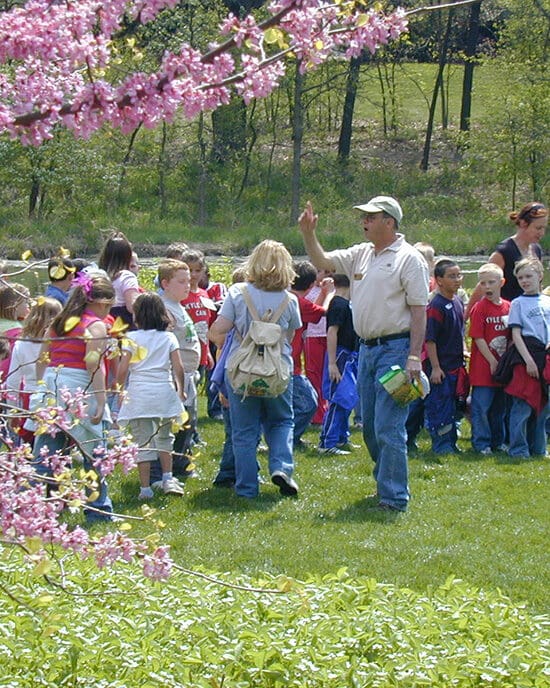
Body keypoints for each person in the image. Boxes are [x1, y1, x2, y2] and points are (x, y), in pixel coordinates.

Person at [299, 196, 429, 512]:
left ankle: (394, 497)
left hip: (396, 352)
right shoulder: (361, 254)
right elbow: (324, 261)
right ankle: (386, 482)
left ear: (390, 221)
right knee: (369, 425)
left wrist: (414, 356)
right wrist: (308, 233)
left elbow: (419, 311)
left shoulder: (409, 259)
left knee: (388, 425)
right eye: (364, 216)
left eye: (371, 216)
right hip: (366, 350)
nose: (364, 221)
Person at [209, 239, 301, 498]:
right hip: (277, 370)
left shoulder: (238, 292)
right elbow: (290, 336)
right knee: (282, 420)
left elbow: (220, 329)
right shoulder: (289, 299)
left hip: (242, 370)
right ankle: (281, 466)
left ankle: (247, 487)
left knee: (244, 430)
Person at [32, 273, 116, 522]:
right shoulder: (96, 326)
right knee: (95, 452)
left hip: (53, 385)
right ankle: (98, 508)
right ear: (101, 302)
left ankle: (38, 505)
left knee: (48, 451)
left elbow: (42, 358)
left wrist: (41, 388)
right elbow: (93, 365)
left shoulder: (59, 322)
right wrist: (101, 400)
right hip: (80, 386)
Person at [116, 293, 186, 499]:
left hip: (140, 393)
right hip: (164, 391)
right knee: (165, 437)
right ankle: (167, 478)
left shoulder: (132, 338)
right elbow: (178, 367)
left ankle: (145, 488)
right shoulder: (168, 337)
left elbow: (123, 369)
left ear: (137, 315)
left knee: (143, 440)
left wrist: (120, 389)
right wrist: (180, 389)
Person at [500, 258, 550, 458]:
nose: (525, 281)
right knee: (522, 405)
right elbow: (516, 334)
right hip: (526, 356)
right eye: (520, 278)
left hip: (545, 355)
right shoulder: (518, 304)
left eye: (529, 276)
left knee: (543, 406)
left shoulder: (547, 301)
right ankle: (519, 449)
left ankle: (538, 448)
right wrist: (527, 360)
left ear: (540, 276)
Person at [158, 259, 201, 478]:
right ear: (165, 283)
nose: (188, 285)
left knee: (190, 418)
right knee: (181, 419)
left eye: (189, 281)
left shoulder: (179, 306)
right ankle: (174, 463)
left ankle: (181, 459)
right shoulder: (164, 309)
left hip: (189, 373)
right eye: (181, 281)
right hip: (175, 375)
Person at [466, 202, 548, 315]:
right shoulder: (505, 251)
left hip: (531, 315)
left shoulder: (536, 250)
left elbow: (538, 284)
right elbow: (483, 285)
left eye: (544, 228)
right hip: (507, 315)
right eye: (538, 228)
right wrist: (466, 317)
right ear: (524, 224)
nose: (542, 233)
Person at [424, 259, 466, 454]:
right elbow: (430, 340)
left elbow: (459, 330)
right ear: (439, 280)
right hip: (441, 368)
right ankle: (441, 446)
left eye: (459, 275)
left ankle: (451, 443)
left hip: (457, 365)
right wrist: (436, 367)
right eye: (452, 276)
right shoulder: (436, 305)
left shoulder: (457, 301)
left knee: (453, 407)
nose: (457, 280)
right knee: (440, 406)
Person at [7, 297, 62, 445]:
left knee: (29, 439)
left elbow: (13, 379)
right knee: (54, 440)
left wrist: (13, 411)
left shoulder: (21, 343)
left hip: (30, 395)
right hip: (55, 393)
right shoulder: (59, 343)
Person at [468, 264, 511, 454]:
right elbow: (477, 337)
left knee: (499, 408)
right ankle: (481, 443)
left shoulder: (508, 307)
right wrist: (492, 361)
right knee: (481, 408)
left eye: (491, 282)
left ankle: (498, 441)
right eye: (483, 283)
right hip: (483, 368)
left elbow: (512, 336)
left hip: (503, 368)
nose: (487, 287)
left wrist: (504, 362)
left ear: (501, 283)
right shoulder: (479, 308)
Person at [289, 261, 331, 449]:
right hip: (290, 365)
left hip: (289, 363)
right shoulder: (297, 302)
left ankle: (288, 438)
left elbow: (313, 312)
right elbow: (325, 312)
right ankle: (289, 437)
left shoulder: (292, 299)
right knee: (309, 403)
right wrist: (329, 293)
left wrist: (321, 294)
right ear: (311, 284)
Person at [318, 274, 359, 455]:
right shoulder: (339, 304)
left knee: (348, 397)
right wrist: (332, 363)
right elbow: (332, 332)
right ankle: (327, 442)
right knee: (339, 398)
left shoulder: (347, 303)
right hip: (340, 355)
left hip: (349, 355)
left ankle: (342, 437)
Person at [304, 267, 334, 424]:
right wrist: (324, 292)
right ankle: (317, 413)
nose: (326, 276)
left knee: (329, 373)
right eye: (324, 272)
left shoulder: (335, 289)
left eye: (330, 273)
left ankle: (327, 409)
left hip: (330, 335)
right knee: (314, 373)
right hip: (313, 335)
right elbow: (313, 312)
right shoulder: (308, 289)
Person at [98, 231, 140, 328]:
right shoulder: (126, 277)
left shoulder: (100, 275)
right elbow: (133, 307)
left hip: (104, 322)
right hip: (123, 325)